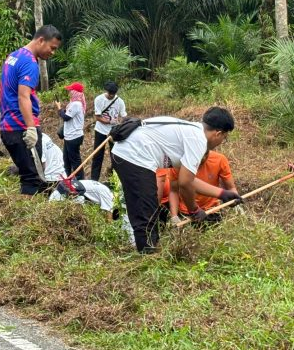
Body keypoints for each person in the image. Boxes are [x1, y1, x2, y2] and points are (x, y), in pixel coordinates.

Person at [111, 107, 240, 253]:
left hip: (127, 154)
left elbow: (186, 180)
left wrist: (222, 193)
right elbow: (185, 183)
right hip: (133, 156)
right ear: (218, 133)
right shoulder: (198, 139)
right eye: (225, 138)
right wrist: (194, 210)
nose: (222, 141)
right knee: (146, 211)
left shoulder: (192, 132)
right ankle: (148, 256)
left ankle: (147, 250)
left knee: (146, 208)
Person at [0, 25, 63, 194]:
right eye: (52, 48)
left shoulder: (14, 56)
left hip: (8, 126)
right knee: (33, 179)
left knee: (28, 175)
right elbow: (23, 96)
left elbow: (7, 91)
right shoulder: (30, 63)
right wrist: (31, 128)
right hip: (21, 128)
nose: (53, 53)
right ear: (41, 40)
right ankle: (27, 220)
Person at [158, 149, 238, 221]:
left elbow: (231, 187)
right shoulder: (178, 164)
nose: (199, 163)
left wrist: (234, 198)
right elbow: (174, 191)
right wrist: (174, 216)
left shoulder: (219, 160)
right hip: (187, 213)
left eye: (203, 159)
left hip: (212, 210)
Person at [91, 81, 126, 180]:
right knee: (97, 156)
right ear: (106, 91)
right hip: (100, 131)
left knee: (115, 156)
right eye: (110, 93)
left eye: (113, 94)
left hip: (114, 132)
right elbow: (97, 117)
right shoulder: (99, 99)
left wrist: (121, 124)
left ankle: (115, 179)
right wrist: (109, 121)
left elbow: (124, 116)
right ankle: (94, 180)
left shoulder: (120, 101)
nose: (111, 96)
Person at [56, 82, 85, 178]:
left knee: (75, 160)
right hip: (70, 136)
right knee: (66, 159)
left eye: (71, 90)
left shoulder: (76, 104)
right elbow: (68, 114)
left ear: (75, 92)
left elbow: (66, 117)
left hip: (74, 136)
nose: (69, 92)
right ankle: (67, 177)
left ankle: (81, 180)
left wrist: (59, 108)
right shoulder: (74, 103)